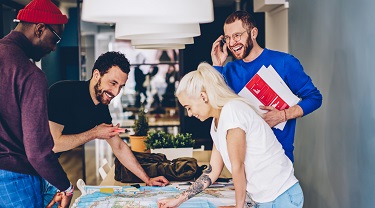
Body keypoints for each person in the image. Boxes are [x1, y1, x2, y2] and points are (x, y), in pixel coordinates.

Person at [158, 63, 303, 208]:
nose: (189, 114)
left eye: (188, 107)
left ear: (203, 96)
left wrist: (239, 207)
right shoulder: (216, 124)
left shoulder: (232, 112)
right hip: (265, 198)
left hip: (281, 196)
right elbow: (212, 171)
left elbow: (237, 166)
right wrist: (177, 200)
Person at [211, 10, 322, 162]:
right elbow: (214, 106)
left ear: (253, 33)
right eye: (227, 38)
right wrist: (217, 65)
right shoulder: (228, 71)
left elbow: (315, 98)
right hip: (243, 162)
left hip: (278, 160)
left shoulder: (285, 62)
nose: (231, 43)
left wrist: (283, 115)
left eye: (237, 36)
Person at [48, 51, 169, 187]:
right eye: (113, 83)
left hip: (48, 164)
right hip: (24, 165)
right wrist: (95, 133)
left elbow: (118, 146)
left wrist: (147, 179)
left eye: (121, 86)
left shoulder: (101, 107)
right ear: (96, 75)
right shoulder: (62, 92)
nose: (116, 92)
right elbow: (53, 144)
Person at [0, 0, 74, 207]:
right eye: (55, 39)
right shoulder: (30, 74)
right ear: (40, 28)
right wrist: (65, 186)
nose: (53, 48)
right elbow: (37, 152)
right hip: (15, 179)